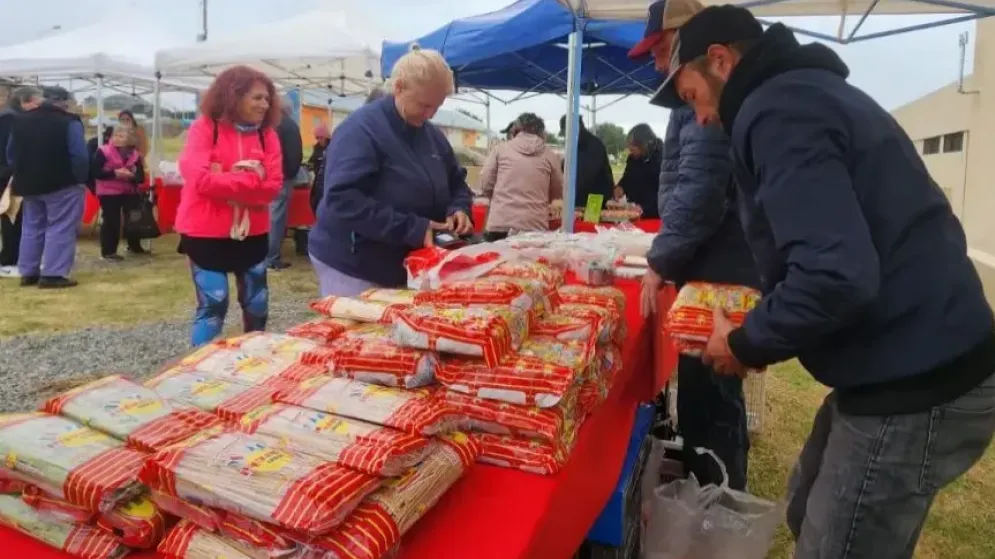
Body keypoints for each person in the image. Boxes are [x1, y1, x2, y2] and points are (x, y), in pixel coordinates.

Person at [658, 6, 995, 557]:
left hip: (917, 378)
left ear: (721, 60)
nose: (699, 119)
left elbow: (834, 273)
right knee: (803, 502)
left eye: (694, 96)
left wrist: (744, 342)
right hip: (900, 358)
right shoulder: (799, 93)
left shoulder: (778, 111)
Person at [631, 0, 756, 490]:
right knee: (706, 399)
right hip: (710, 264)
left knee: (714, 400)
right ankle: (709, 488)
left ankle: (719, 500)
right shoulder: (692, 98)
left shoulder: (705, 102)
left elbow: (700, 189)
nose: (659, 64)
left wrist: (661, 260)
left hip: (719, 270)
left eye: (662, 50)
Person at [308, 48, 474, 296]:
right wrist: (413, 228)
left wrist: (459, 208)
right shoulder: (360, 130)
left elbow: (457, 182)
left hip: (407, 264)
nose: (431, 114)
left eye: (437, 106)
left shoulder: (433, 136)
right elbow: (342, 200)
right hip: (356, 264)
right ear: (398, 87)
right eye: (424, 105)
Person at [176, 65, 283, 347]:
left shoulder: (267, 135)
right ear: (233, 95)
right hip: (204, 233)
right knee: (214, 304)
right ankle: (199, 371)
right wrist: (250, 179)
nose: (264, 104)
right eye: (257, 97)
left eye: (267, 98)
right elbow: (198, 179)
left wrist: (223, 178)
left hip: (253, 233)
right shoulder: (203, 129)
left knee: (257, 304)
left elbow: (272, 186)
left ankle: (255, 358)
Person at [7, 86, 88, 289]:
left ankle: (28, 271)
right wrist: (80, 178)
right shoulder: (69, 122)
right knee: (60, 227)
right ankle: (53, 273)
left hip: (28, 184)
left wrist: (21, 174)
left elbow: (11, 155)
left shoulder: (19, 120)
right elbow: (79, 155)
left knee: (31, 227)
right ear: (63, 102)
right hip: (62, 183)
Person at [478, 113, 562, 241]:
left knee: (497, 261)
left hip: (500, 225)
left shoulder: (500, 150)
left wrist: (499, 197)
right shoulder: (550, 156)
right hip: (535, 227)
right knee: (530, 262)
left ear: (515, 130)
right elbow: (558, 190)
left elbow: (485, 184)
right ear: (541, 133)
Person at [0, 86, 43, 278]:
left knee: (16, 216)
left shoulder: (12, 117)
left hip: (10, 171)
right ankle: (9, 257)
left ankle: (14, 255)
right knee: (12, 215)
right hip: (9, 174)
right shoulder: (11, 119)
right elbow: (8, 150)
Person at [92, 126, 146, 261]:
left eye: (122, 135)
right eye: (116, 135)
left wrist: (131, 176)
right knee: (112, 220)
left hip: (129, 190)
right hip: (108, 191)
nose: (118, 138)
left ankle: (134, 245)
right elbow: (95, 172)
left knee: (134, 217)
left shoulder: (135, 155)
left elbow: (141, 177)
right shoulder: (103, 152)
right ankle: (109, 251)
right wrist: (114, 173)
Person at [266, 103, 304, 270]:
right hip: (282, 178)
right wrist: (291, 173)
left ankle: (266, 255)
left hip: (268, 176)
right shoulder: (289, 125)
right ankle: (271, 258)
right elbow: (295, 154)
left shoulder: (270, 124)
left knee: (269, 217)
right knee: (277, 219)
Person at [558, 114, 613, 208]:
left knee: (589, 222)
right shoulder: (575, 144)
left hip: (595, 197)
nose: (566, 136)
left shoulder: (594, 145)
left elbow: (585, 174)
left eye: (567, 132)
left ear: (577, 127)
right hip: (580, 196)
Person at [614, 124, 663, 219]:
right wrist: (621, 187)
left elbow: (664, 190)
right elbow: (628, 177)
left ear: (644, 145)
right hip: (635, 213)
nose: (631, 153)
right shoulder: (633, 159)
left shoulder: (662, 159)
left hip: (656, 215)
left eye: (633, 149)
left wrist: (645, 208)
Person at [308, 124, 331, 215]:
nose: (319, 140)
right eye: (317, 138)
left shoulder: (332, 147)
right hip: (318, 181)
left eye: (321, 137)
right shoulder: (317, 148)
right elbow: (312, 160)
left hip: (328, 181)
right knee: (314, 202)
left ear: (326, 137)